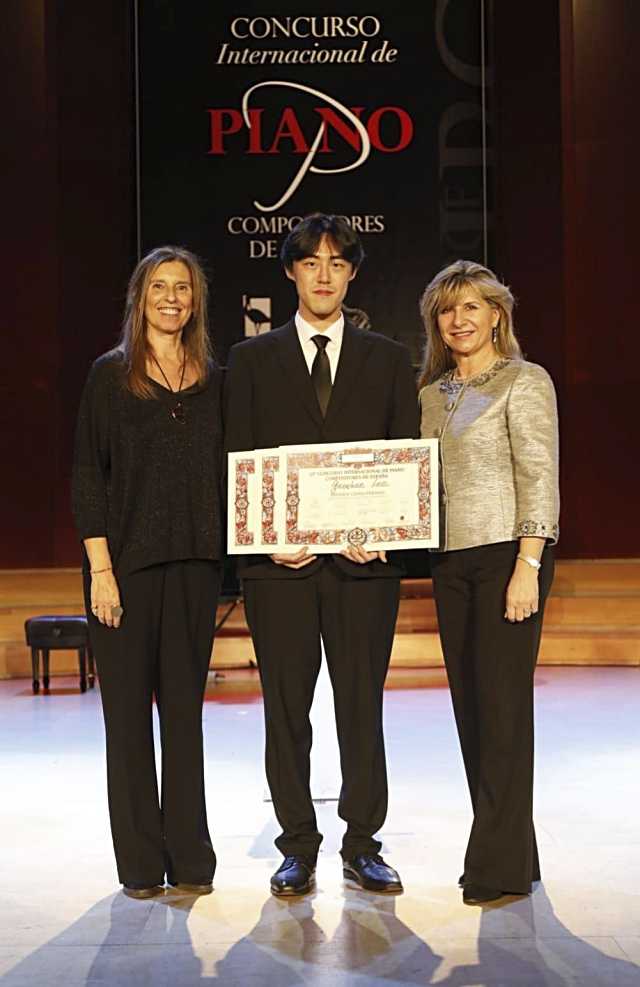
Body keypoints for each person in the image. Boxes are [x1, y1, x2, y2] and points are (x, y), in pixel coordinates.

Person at [225, 213, 419, 896]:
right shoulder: (250, 359)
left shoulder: (388, 358)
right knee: (286, 711)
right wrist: (264, 539)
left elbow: (404, 458)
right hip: (277, 570)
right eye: (311, 262)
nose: (324, 274)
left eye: (338, 262)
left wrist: (386, 531)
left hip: (365, 572)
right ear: (291, 272)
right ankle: (297, 846)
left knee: (361, 708)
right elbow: (238, 458)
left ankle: (363, 843)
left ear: (353, 273)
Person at [72, 246, 224, 899]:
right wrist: (100, 571)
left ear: (195, 301)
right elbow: (87, 476)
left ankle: (190, 857)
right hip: (124, 572)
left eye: (182, 288)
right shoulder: (110, 376)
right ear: (140, 297)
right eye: (159, 286)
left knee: (184, 718)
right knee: (129, 722)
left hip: (195, 567)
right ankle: (138, 863)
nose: (171, 298)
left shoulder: (214, 378)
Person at [418, 259, 559, 904]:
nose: (459, 319)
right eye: (447, 309)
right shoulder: (430, 393)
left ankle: (496, 866)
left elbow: (540, 475)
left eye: (472, 306)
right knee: (472, 712)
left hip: (509, 557)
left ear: (497, 315)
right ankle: (516, 851)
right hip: (450, 562)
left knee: (502, 711)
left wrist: (529, 564)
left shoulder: (525, 381)